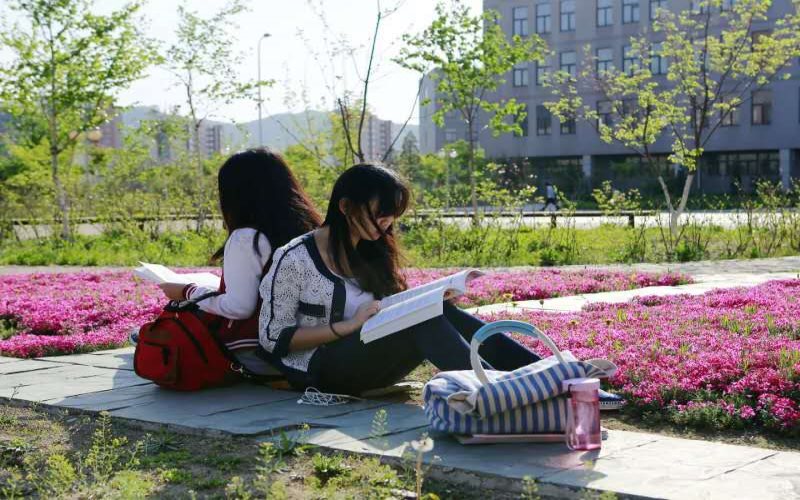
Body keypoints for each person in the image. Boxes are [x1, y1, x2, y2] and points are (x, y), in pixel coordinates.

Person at [145, 148, 322, 375]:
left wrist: (187, 291)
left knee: (176, 323)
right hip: (308, 347)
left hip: (261, 354)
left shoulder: (248, 238)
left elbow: (239, 308)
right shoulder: (312, 230)